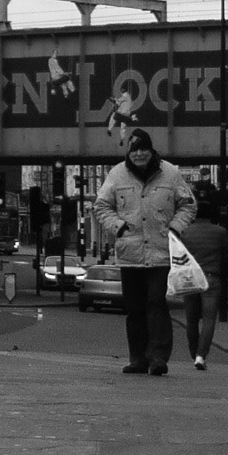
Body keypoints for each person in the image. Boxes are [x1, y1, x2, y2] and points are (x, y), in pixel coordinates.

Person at [91, 131, 196, 375]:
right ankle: (138, 358)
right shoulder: (117, 174)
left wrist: (175, 228)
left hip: (160, 253)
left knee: (156, 303)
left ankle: (158, 357)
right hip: (130, 254)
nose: (139, 154)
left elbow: (188, 206)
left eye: (144, 149)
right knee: (135, 308)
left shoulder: (171, 173)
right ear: (128, 152)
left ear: (152, 150)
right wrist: (118, 227)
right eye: (134, 149)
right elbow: (101, 206)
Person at [174, 193, 228, 370]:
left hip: (190, 278)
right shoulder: (220, 232)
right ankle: (201, 356)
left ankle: (193, 352)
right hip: (211, 277)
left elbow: (178, 255)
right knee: (208, 320)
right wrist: (225, 272)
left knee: (191, 320)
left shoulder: (185, 231)